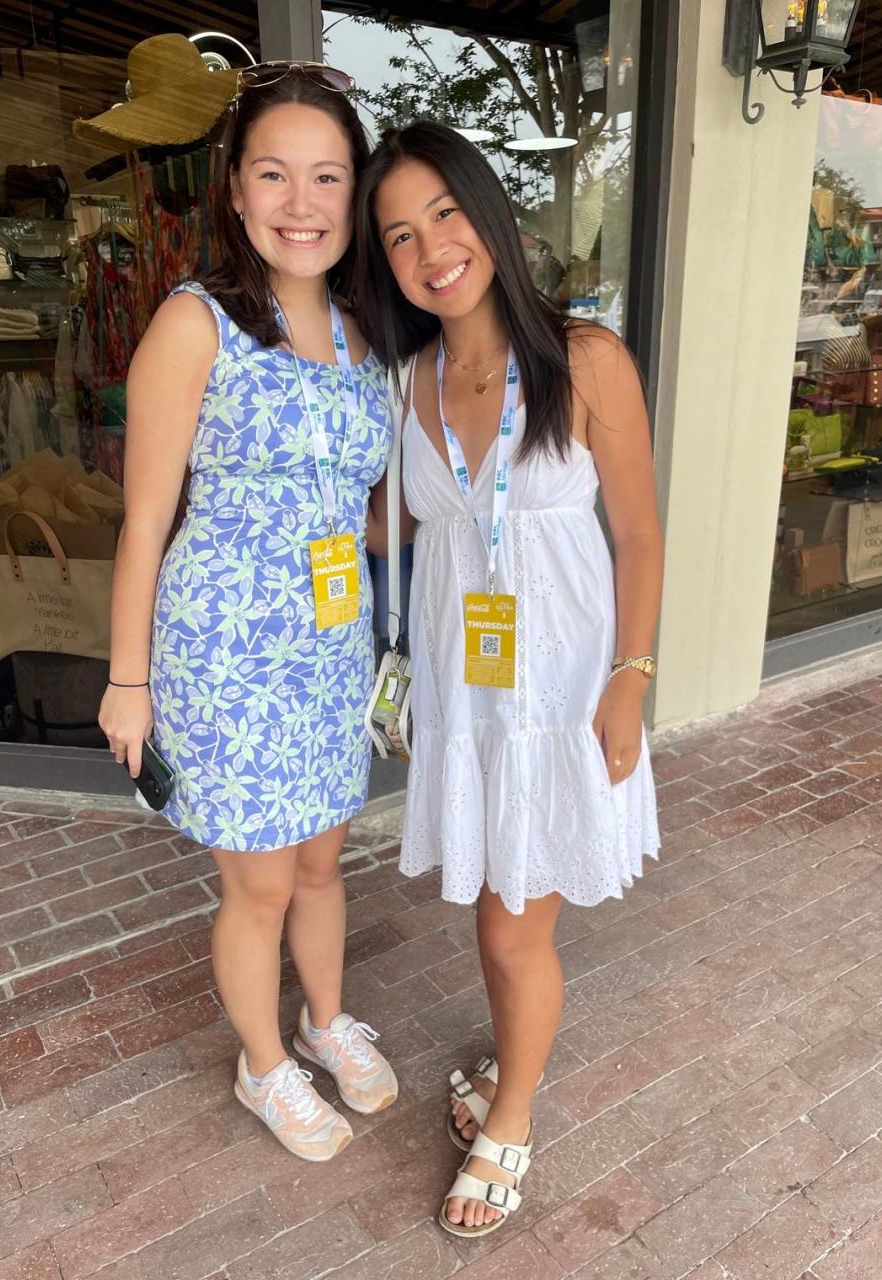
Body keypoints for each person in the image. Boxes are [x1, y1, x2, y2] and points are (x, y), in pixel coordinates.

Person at [353, 121, 662, 1236]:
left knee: (510, 930)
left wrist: (630, 675)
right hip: (467, 700)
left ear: (489, 215)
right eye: (398, 234)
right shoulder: (411, 383)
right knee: (501, 914)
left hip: (562, 697)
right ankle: (508, 1059)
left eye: (444, 213)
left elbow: (637, 531)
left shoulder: (585, 359)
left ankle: (512, 1115)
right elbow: (396, 531)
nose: (430, 247)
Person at [98, 62, 398, 1163]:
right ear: (234, 189)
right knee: (260, 879)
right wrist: (128, 680)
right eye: (274, 173)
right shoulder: (198, 325)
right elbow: (142, 522)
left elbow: (360, 512)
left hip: (330, 648)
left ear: (356, 194)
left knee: (324, 859)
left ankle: (327, 1019)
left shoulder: (371, 336)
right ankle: (263, 1061)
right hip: (224, 653)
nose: (301, 201)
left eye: (326, 176)